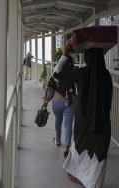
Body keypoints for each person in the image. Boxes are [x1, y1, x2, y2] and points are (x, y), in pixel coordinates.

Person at [54, 46, 113, 188]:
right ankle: (93, 182)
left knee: (81, 146)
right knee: (98, 152)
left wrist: (66, 54)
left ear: (87, 58)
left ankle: (80, 176)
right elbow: (108, 99)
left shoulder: (81, 73)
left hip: (83, 119)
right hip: (102, 121)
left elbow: (57, 74)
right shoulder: (106, 75)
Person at [43, 47, 77, 157]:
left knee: (58, 120)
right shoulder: (74, 73)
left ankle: (57, 140)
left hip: (57, 102)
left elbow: (50, 89)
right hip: (70, 101)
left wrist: (45, 102)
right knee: (68, 125)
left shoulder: (56, 74)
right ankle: (67, 147)